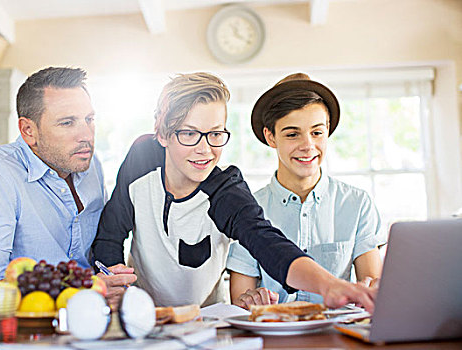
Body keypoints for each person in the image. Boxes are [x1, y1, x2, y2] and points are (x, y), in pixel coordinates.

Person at [92, 72, 377, 312]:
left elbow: (266, 241)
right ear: (163, 134)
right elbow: (110, 233)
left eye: (215, 134)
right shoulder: (142, 159)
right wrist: (115, 281)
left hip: (206, 321)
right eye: (189, 133)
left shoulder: (225, 188)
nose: (204, 150)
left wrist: (328, 285)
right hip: (139, 314)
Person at [0, 67, 136, 302]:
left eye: (89, 120)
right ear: (29, 131)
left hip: (86, 323)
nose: (87, 135)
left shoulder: (90, 165)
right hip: (26, 331)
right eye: (67, 123)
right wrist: (86, 291)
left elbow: (89, 261)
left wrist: (108, 280)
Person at [227, 73, 385, 309]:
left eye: (317, 132)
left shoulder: (357, 203)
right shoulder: (249, 211)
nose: (308, 146)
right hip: (275, 337)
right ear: (270, 137)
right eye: (292, 134)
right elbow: (239, 301)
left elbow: (372, 287)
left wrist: (372, 289)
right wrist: (251, 299)